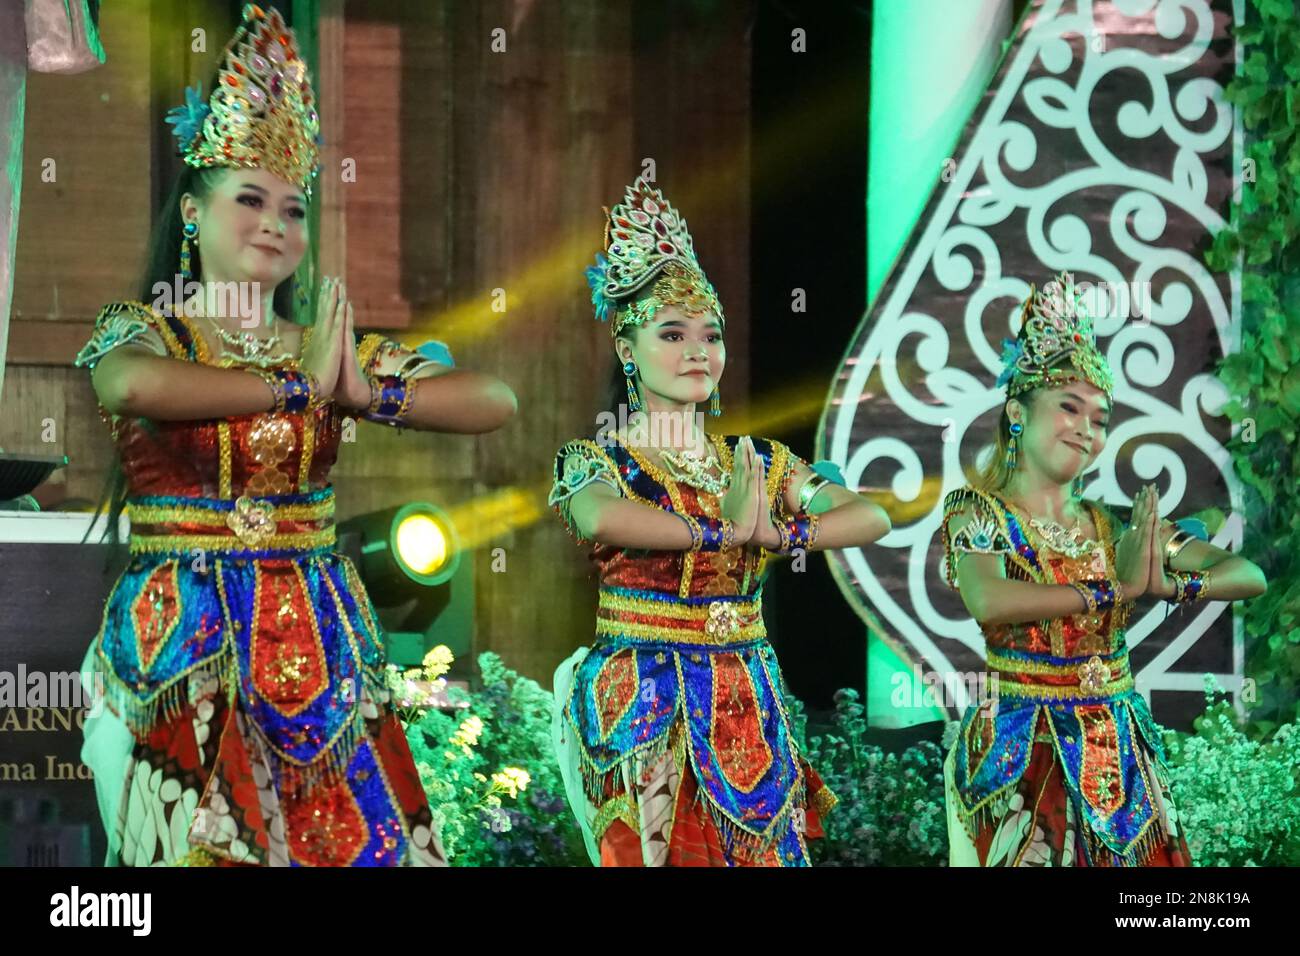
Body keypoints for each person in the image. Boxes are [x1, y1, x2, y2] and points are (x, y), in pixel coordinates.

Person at [72, 4, 516, 866]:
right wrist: (292, 385)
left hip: (316, 640)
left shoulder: (328, 345)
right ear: (193, 214)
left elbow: (491, 398)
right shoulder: (147, 329)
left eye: (294, 207)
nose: (275, 222)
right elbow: (127, 383)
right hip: (186, 640)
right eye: (249, 199)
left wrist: (359, 391)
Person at [548, 175, 892, 866]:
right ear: (628, 350)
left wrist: (783, 534)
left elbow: (869, 514)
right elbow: (601, 519)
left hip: (744, 696)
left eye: (711, 334)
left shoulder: (758, 461)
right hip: (643, 696)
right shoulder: (595, 458)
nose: (697, 350)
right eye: (672, 334)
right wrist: (722, 533)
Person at [940, 271, 1267, 866]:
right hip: (1025, 755)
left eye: (1099, 418)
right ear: (1017, 411)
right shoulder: (978, 512)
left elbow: (1246, 574)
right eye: (1069, 407)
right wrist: (1110, 587)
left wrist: (1168, 584)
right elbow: (989, 599)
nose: (1086, 430)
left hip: (1118, 755)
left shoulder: (1115, 526)